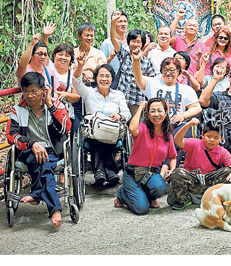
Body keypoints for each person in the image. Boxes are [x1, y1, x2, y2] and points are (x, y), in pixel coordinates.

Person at [7, 72, 72, 228]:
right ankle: (55, 208)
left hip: (53, 150)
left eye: (34, 91)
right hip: (28, 151)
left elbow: (66, 128)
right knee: (42, 162)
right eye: (26, 91)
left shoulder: (56, 104)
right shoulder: (17, 110)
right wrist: (31, 143)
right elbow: (12, 135)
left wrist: (50, 104)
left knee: (44, 163)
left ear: (43, 90)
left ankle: (37, 193)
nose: (29, 95)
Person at [73, 54, 132, 186]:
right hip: (93, 132)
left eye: (107, 76)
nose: (104, 79)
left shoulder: (118, 95)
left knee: (110, 135)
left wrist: (120, 116)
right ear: (96, 78)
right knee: (97, 135)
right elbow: (76, 82)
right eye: (101, 76)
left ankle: (102, 170)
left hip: (113, 131)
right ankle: (107, 171)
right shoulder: (88, 92)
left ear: (112, 78)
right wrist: (81, 65)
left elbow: (127, 113)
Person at [114, 99, 177, 214]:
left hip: (151, 173)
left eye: (160, 111)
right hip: (133, 173)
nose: (156, 114)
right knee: (142, 209)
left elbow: (172, 156)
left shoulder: (167, 134)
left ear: (166, 113)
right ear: (148, 113)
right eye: (152, 111)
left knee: (160, 187)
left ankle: (148, 196)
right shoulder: (143, 128)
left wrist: (172, 169)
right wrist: (140, 109)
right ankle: (122, 193)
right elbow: (132, 128)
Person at [169, 117, 231, 210]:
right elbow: (177, 140)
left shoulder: (222, 151)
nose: (211, 140)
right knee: (177, 172)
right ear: (202, 135)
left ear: (221, 139)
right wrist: (188, 125)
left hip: (209, 184)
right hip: (193, 180)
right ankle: (184, 199)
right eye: (209, 136)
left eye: (216, 138)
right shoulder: (195, 143)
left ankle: (214, 197)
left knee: (228, 171)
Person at [132, 53, 201, 131]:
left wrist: (183, 115)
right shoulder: (153, 83)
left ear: (178, 71)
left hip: (175, 127)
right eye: (165, 70)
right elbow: (138, 77)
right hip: (154, 126)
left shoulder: (186, 89)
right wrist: (136, 60)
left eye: (171, 70)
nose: (168, 73)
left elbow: (197, 107)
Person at [110, 13, 155, 117]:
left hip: (138, 100)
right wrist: (113, 22)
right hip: (122, 99)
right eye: (133, 41)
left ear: (143, 43)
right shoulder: (124, 55)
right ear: (129, 42)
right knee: (121, 128)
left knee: (136, 129)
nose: (135, 44)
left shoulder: (147, 62)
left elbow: (151, 81)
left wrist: (141, 78)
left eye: (138, 42)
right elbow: (113, 39)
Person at [51, 44, 81, 130]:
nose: (63, 58)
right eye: (60, 54)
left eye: (67, 56)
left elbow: (76, 97)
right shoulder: (48, 70)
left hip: (66, 114)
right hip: (48, 113)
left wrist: (66, 95)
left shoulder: (72, 75)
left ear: (71, 59)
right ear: (54, 56)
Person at [170, 8, 207, 76]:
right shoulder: (177, 40)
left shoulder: (201, 46)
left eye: (194, 26)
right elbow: (169, 35)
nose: (191, 27)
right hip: (177, 76)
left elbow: (201, 66)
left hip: (192, 78)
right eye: (189, 25)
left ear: (197, 29)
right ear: (185, 27)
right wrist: (177, 17)